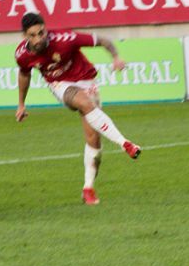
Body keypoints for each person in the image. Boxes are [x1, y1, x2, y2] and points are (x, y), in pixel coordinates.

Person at [15, 12, 141, 206]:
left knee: (94, 142)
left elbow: (104, 41)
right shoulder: (22, 55)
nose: (39, 38)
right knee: (84, 103)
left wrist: (116, 57)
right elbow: (25, 75)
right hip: (60, 85)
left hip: (86, 80)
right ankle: (125, 143)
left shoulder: (66, 39)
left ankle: (88, 188)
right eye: (33, 35)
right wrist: (21, 104)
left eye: (41, 32)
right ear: (25, 36)